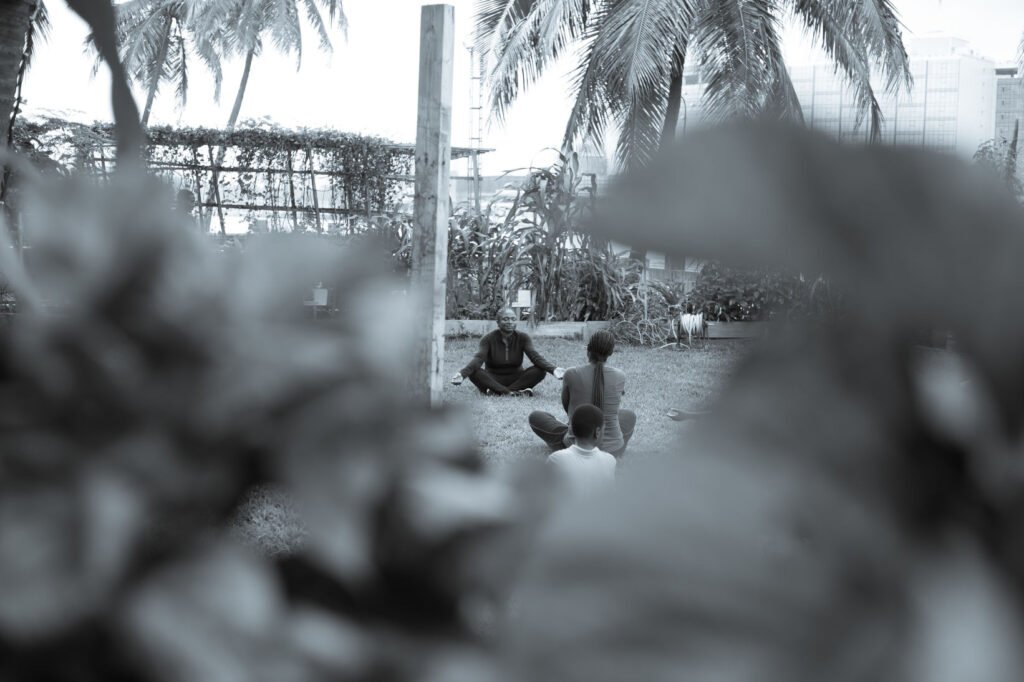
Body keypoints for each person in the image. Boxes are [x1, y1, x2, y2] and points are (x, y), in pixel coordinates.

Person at [529, 330, 636, 457]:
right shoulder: (620, 376)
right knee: (629, 415)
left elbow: (567, 407)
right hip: (613, 449)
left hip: (575, 447)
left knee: (536, 417)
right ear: (611, 353)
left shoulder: (571, 373)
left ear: (588, 350)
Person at [450, 308, 565, 396]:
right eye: (505, 319)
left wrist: (553, 369)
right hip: (493, 378)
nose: (510, 322)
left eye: (513, 319)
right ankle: (512, 392)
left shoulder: (523, 337)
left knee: (540, 371)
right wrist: (462, 374)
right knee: (474, 373)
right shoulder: (487, 339)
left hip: (517, 378)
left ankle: (498, 392)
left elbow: (535, 356)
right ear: (498, 322)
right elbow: (479, 358)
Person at [546, 404, 617, 498]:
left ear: (572, 429)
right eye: (604, 430)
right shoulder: (609, 461)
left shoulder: (556, 459)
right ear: (597, 432)